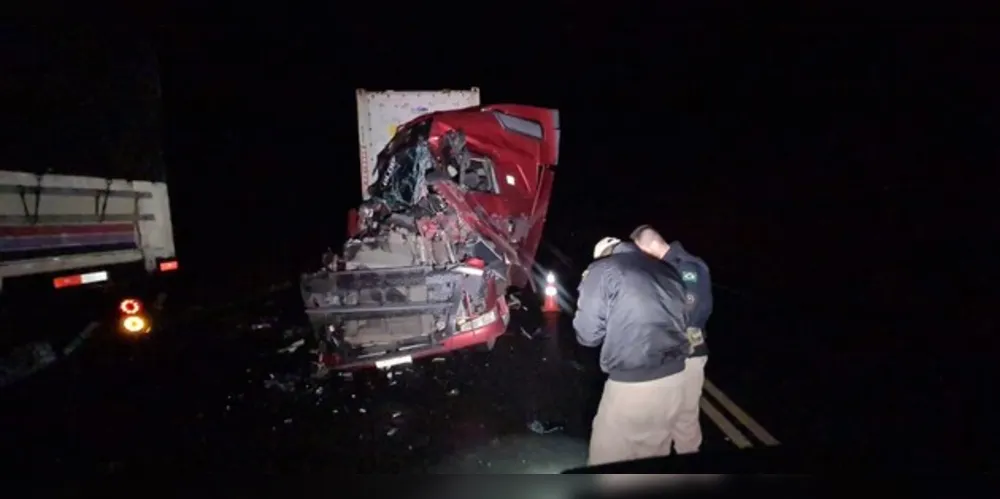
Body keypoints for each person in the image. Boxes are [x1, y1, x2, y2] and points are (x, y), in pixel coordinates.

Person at [573, 236, 691, 466]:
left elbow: (587, 335)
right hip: (675, 382)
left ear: (604, 255)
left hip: (632, 386)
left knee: (605, 462)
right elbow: (683, 319)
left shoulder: (602, 269)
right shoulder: (668, 270)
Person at [630, 224, 713, 454]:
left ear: (648, 246)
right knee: (662, 418)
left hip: (688, 353)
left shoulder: (685, 267)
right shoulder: (665, 268)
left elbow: (689, 308)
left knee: (684, 420)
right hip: (670, 353)